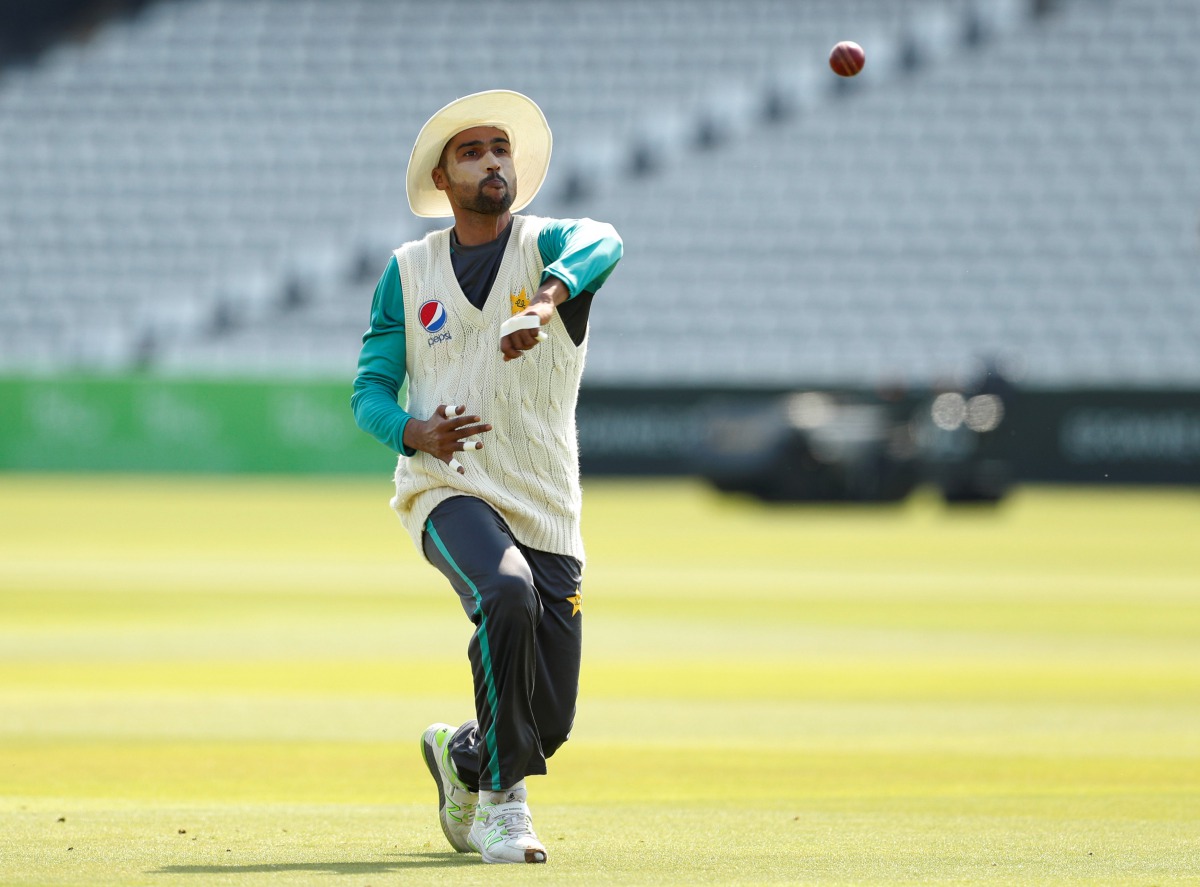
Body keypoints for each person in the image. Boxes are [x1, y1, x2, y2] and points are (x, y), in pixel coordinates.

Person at [351, 90, 622, 865]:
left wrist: (545, 303)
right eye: (471, 152)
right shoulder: (408, 271)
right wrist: (413, 430)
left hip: (546, 501)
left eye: (500, 148)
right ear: (444, 178)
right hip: (446, 486)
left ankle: (462, 753)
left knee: (552, 720)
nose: (492, 161)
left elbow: (606, 238)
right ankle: (505, 806)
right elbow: (368, 389)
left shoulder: (550, 250)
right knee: (504, 593)